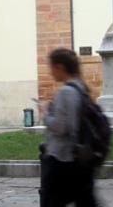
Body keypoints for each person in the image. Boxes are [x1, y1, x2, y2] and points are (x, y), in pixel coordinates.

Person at [39, 48, 98, 207]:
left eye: (51, 67)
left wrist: (45, 113)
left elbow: (60, 127)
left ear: (60, 67)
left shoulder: (65, 92)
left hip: (61, 159)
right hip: (78, 158)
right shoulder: (81, 87)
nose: (50, 72)